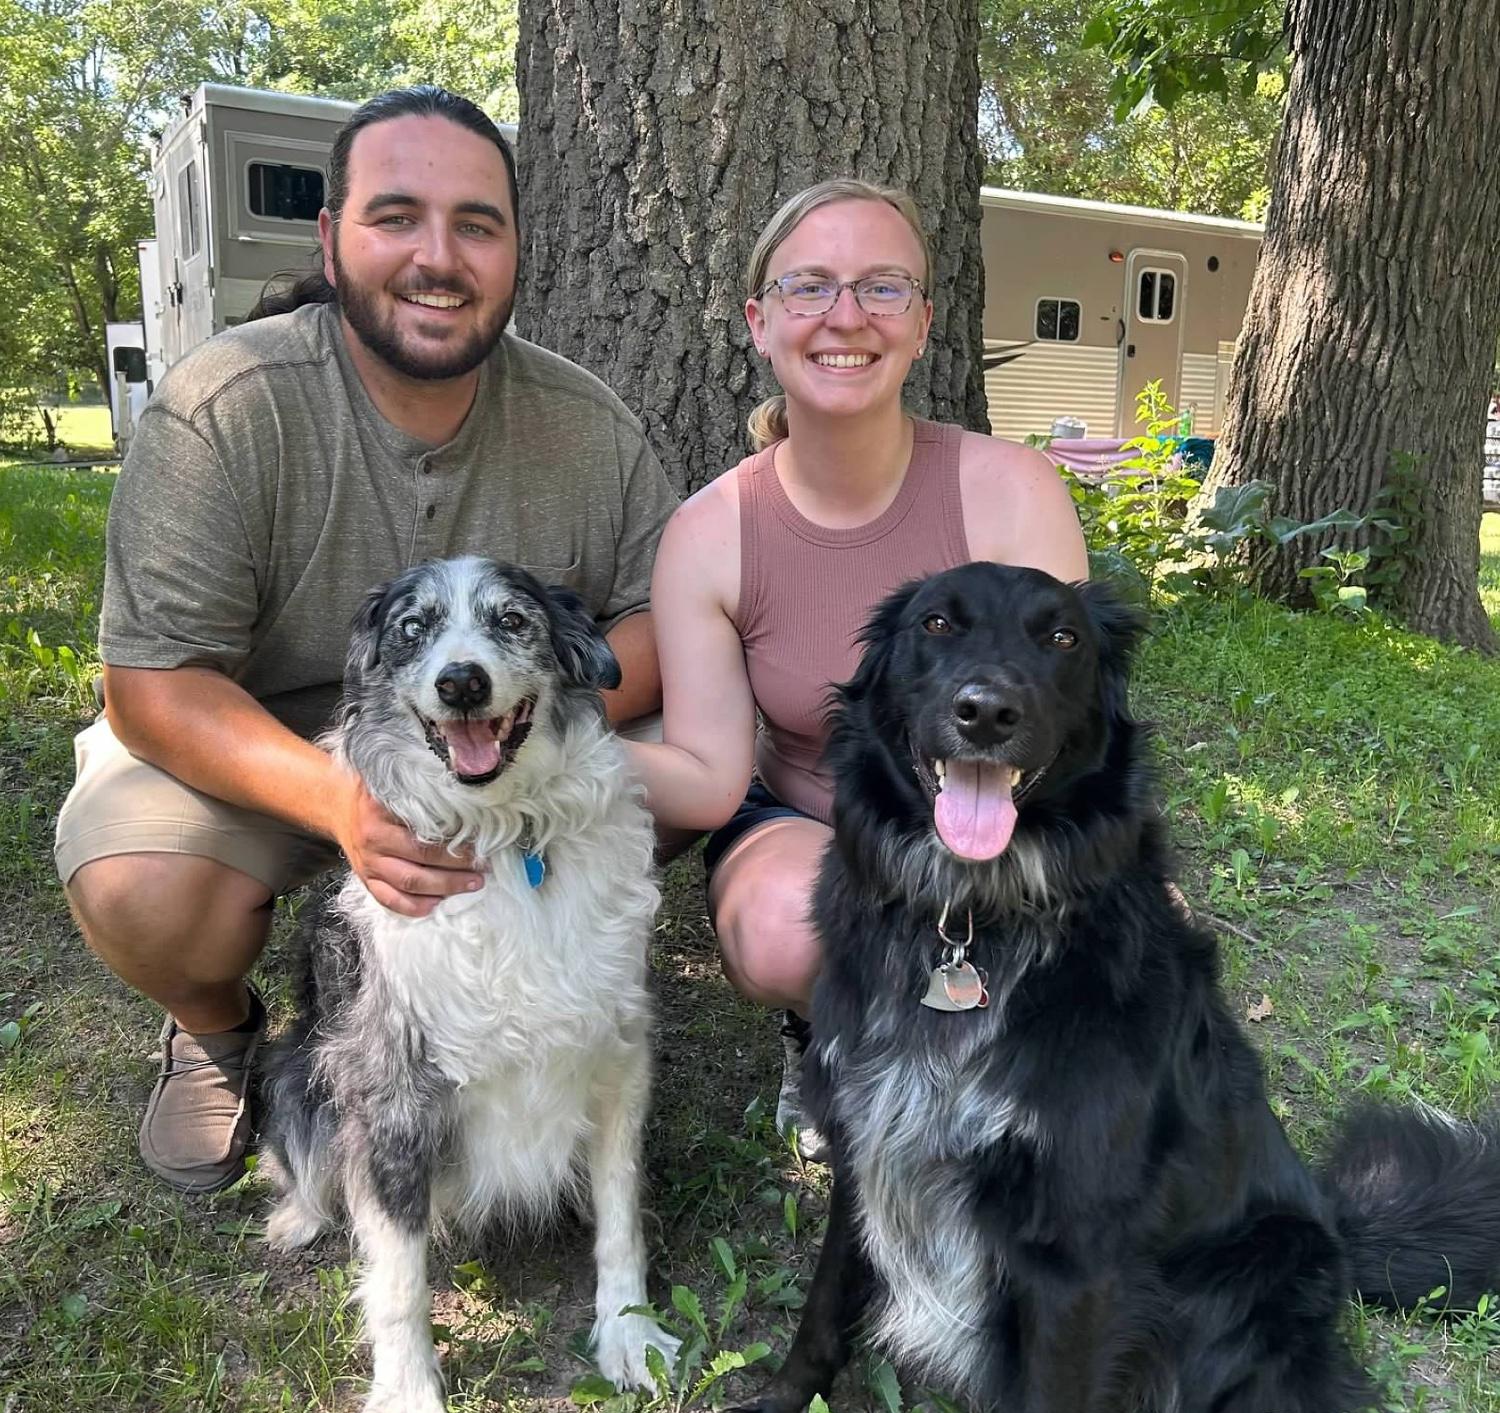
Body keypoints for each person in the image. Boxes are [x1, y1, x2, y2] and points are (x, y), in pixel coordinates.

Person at [54, 87, 678, 1193]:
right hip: (256, 749)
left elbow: (651, 620)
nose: (439, 256)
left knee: (672, 772)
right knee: (139, 882)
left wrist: (532, 732)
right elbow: (150, 682)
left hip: (498, 734)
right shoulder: (227, 405)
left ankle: (532, 1026)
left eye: (477, 223)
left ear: (516, 251)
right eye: (397, 216)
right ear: (330, 238)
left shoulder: (591, 425)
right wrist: (345, 798)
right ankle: (217, 1027)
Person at [623, 180, 1088, 1152]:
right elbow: (709, 777)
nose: (846, 317)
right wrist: (556, 749)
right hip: (807, 822)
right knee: (788, 931)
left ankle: (980, 1045)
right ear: (760, 322)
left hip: (995, 813)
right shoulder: (711, 534)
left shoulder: (1010, 492)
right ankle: (825, 1035)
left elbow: (1057, 719)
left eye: (883, 288)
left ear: (922, 324)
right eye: (810, 288)